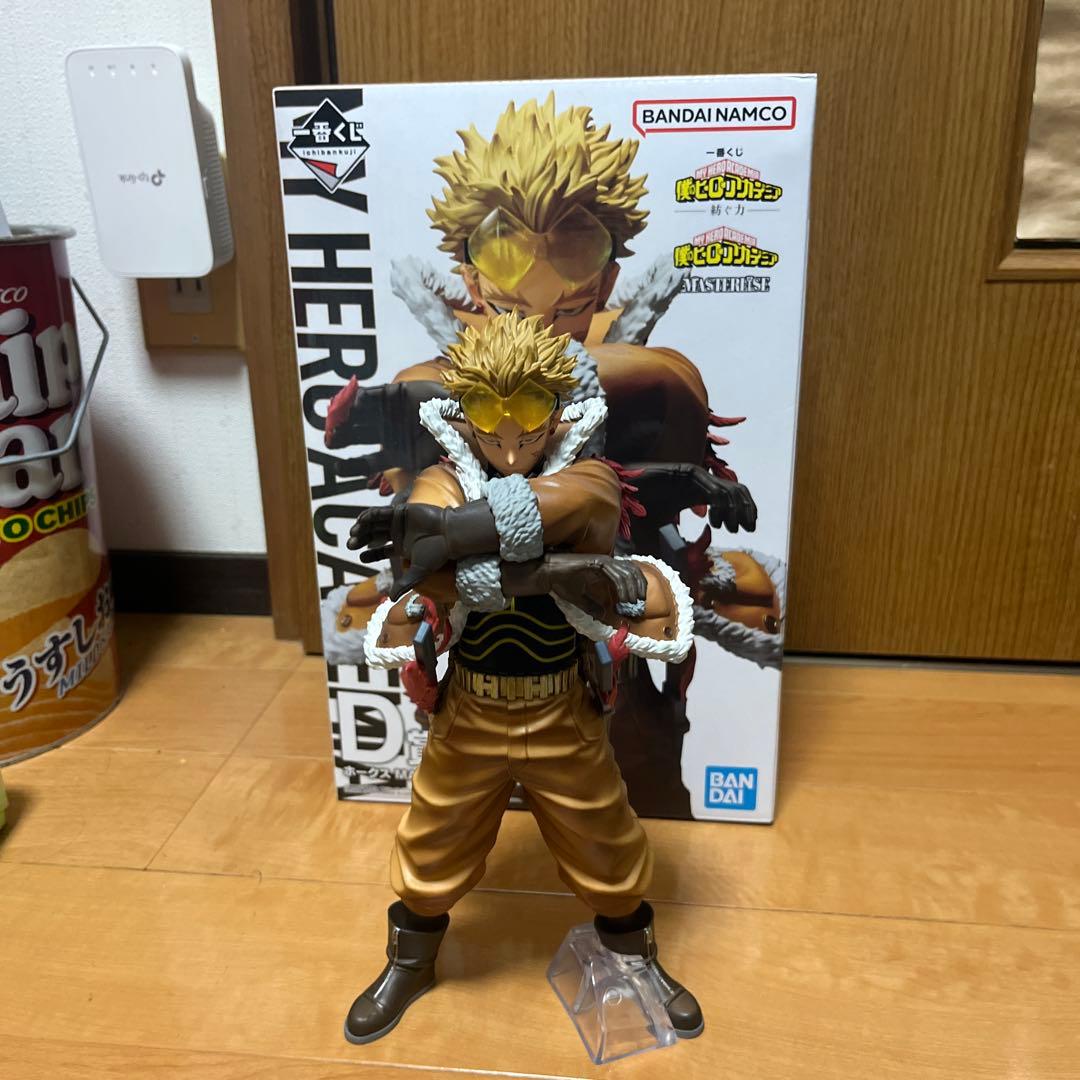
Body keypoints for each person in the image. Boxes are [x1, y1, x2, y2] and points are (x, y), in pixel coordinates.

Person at [342, 313, 702, 1044]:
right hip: (470, 710)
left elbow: (474, 538)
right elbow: (425, 565)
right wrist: (570, 570)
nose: (509, 440)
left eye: (530, 412)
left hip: (562, 706)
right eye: (487, 414)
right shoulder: (443, 476)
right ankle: (409, 961)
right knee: (432, 841)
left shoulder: (589, 479)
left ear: (557, 411)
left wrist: (450, 544)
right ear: (464, 411)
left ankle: (636, 959)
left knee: (607, 841)